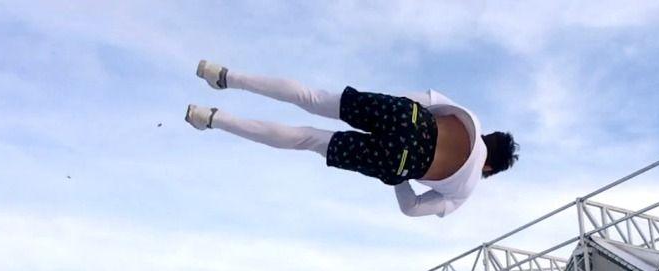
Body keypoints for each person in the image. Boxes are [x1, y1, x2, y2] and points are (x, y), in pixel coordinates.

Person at [186, 60, 518, 218]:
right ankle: (213, 118)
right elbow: (411, 208)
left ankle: (227, 77)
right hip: (403, 162)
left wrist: (385, 109)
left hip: (406, 115)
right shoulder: (466, 191)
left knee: (313, 99)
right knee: (309, 139)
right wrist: (396, 176)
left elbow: (420, 99)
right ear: (489, 167)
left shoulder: (470, 117)